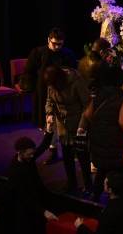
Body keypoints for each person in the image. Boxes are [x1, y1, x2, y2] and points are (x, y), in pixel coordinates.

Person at [78, 50, 123, 202]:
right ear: (121, 81)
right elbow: (122, 121)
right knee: (121, 169)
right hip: (115, 141)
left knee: (101, 170)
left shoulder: (97, 95)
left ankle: (95, 196)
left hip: (98, 139)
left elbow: (87, 115)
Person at [21, 27, 77, 164]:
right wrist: (29, 87)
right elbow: (28, 71)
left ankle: (71, 151)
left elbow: (74, 72)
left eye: (60, 44)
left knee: (65, 124)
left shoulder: (67, 53)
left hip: (63, 95)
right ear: (48, 40)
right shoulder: (38, 53)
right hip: (42, 93)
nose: (57, 47)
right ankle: (53, 151)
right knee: (48, 125)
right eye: (54, 44)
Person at [45, 65, 92, 195]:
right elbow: (49, 101)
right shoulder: (52, 84)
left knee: (83, 157)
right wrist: (49, 114)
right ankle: (72, 184)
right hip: (63, 127)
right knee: (67, 157)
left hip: (78, 123)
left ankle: (89, 186)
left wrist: (82, 126)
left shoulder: (76, 81)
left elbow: (88, 104)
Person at [6, 128, 58, 234]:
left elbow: (42, 147)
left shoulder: (28, 158)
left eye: (32, 153)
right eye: (29, 154)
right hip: (25, 208)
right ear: (20, 153)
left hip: (36, 197)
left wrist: (48, 131)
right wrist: (43, 211)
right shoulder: (15, 171)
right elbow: (24, 196)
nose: (32, 156)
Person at [74, 149, 123, 234]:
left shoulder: (109, 214)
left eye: (105, 183)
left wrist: (80, 227)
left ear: (109, 190)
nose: (103, 183)